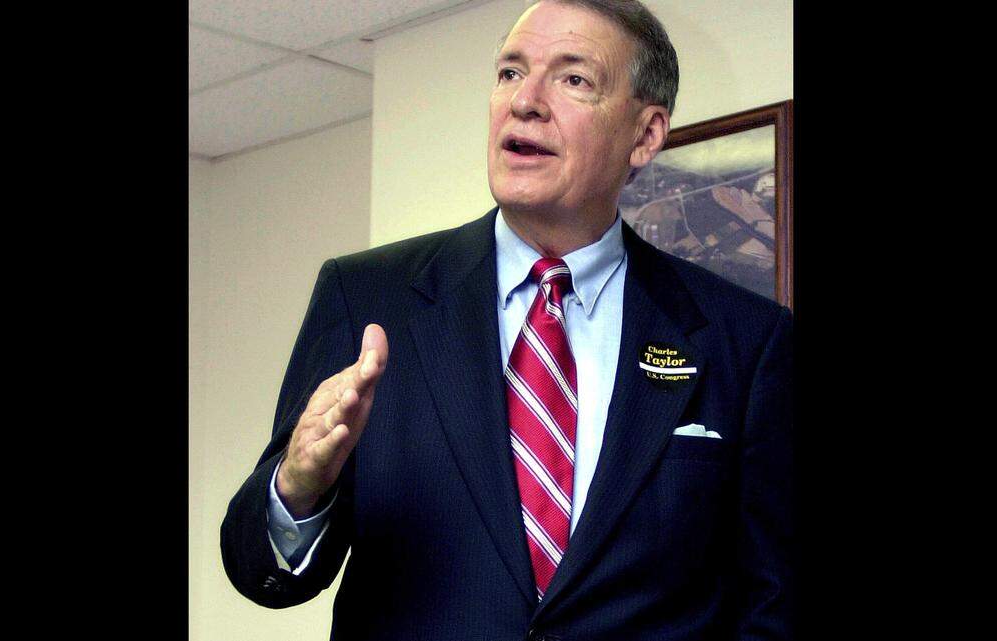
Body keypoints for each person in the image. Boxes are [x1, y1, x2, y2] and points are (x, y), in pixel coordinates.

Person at [220, 1, 792, 638]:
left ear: (645, 135)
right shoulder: (367, 298)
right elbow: (260, 569)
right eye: (510, 73)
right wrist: (297, 487)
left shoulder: (747, 338)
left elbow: (774, 602)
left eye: (573, 78)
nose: (525, 102)